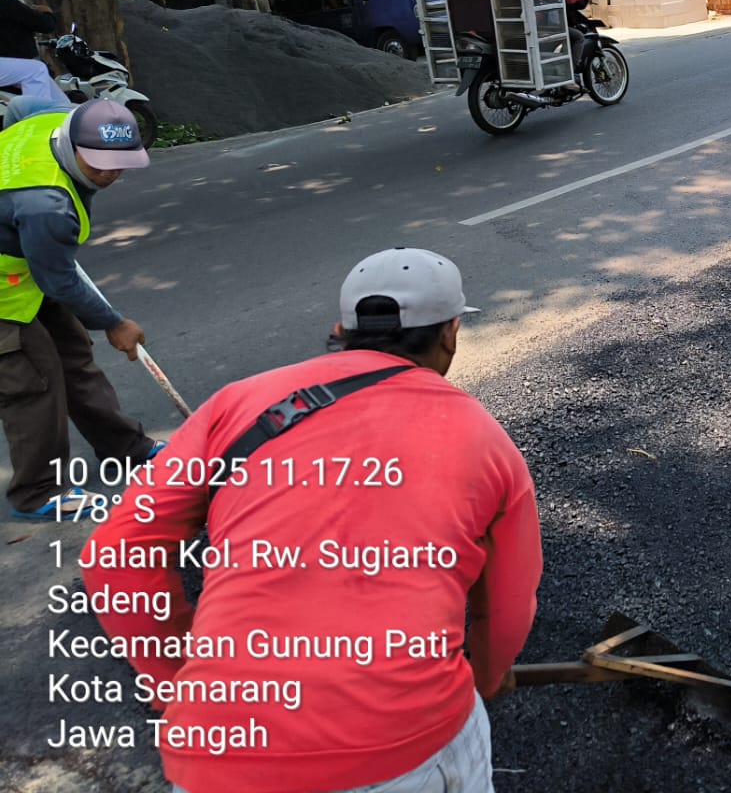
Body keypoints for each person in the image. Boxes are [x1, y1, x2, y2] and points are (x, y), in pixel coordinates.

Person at [82, 247, 542, 793]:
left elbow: (114, 558)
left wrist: (185, 685)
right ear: (451, 334)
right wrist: (488, 677)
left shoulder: (238, 404)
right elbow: (508, 606)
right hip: (402, 743)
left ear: (340, 329)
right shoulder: (483, 438)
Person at [0, 100, 154, 519]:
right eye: (98, 164)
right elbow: (58, 279)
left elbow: (19, 108)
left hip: (26, 271)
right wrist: (113, 323)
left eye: (120, 163)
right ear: (72, 145)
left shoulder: (55, 118)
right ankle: (37, 492)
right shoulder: (45, 206)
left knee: (74, 358)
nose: (109, 173)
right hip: (9, 289)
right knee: (34, 380)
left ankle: (125, 447)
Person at [0, 0, 71, 107]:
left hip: (10, 67)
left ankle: (65, 122)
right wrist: (47, 13)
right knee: (35, 70)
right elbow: (45, 25)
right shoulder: (6, 3)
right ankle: (37, 119)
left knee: (63, 104)